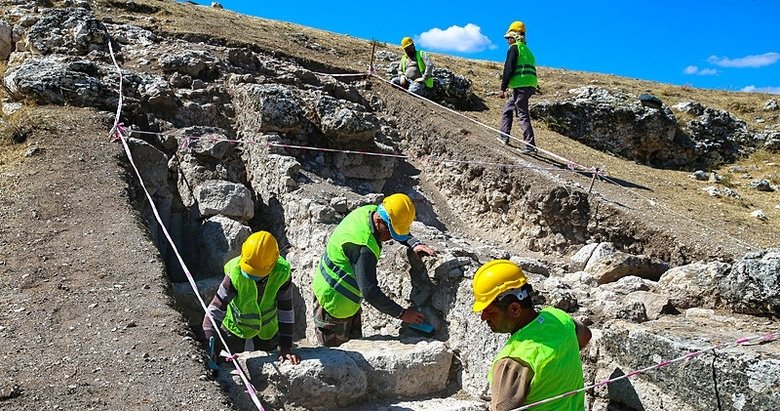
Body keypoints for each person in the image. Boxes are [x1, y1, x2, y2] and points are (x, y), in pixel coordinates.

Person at [312, 193, 436, 347]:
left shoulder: (370, 211)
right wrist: (403, 314)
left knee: (355, 349)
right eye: (390, 232)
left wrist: (413, 242)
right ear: (379, 222)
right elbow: (370, 292)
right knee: (337, 358)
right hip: (334, 302)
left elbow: (395, 226)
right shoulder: (363, 247)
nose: (391, 237)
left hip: (345, 298)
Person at [472, 260, 591, 411]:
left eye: (490, 311)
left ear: (515, 309)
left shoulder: (514, 360)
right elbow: (585, 335)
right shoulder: (558, 318)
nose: (483, 317)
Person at [202, 231, 300, 366]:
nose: (252, 276)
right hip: (236, 325)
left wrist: (286, 347)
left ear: (273, 264)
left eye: (257, 273)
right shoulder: (235, 273)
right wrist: (209, 341)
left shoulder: (281, 273)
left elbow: (285, 310)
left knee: (266, 360)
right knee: (230, 363)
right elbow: (216, 309)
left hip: (267, 329)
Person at [498, 21, 538, 154]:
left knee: (521, 114)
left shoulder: (514, 48)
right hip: (529, 86)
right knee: (508, 109)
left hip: (521, 86)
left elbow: (508, 68)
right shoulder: (528, 51)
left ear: (514, 37)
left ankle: (529, 144)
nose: (507, 41)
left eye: (509, 38)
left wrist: (503, 88)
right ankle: (504, 135)